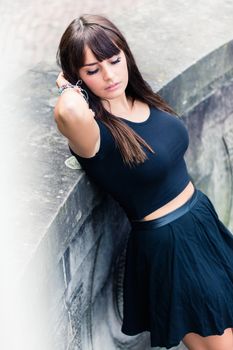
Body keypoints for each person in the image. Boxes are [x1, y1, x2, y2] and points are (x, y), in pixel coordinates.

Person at [53, 14, 233, 350]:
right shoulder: (94, 132)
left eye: (114, 60)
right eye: (92, 70)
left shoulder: (140, 97)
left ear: (126, 55)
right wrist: (69, 88)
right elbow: (67, 113)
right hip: (170, 247)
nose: (108, 75)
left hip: (201, 222)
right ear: (78, 77)